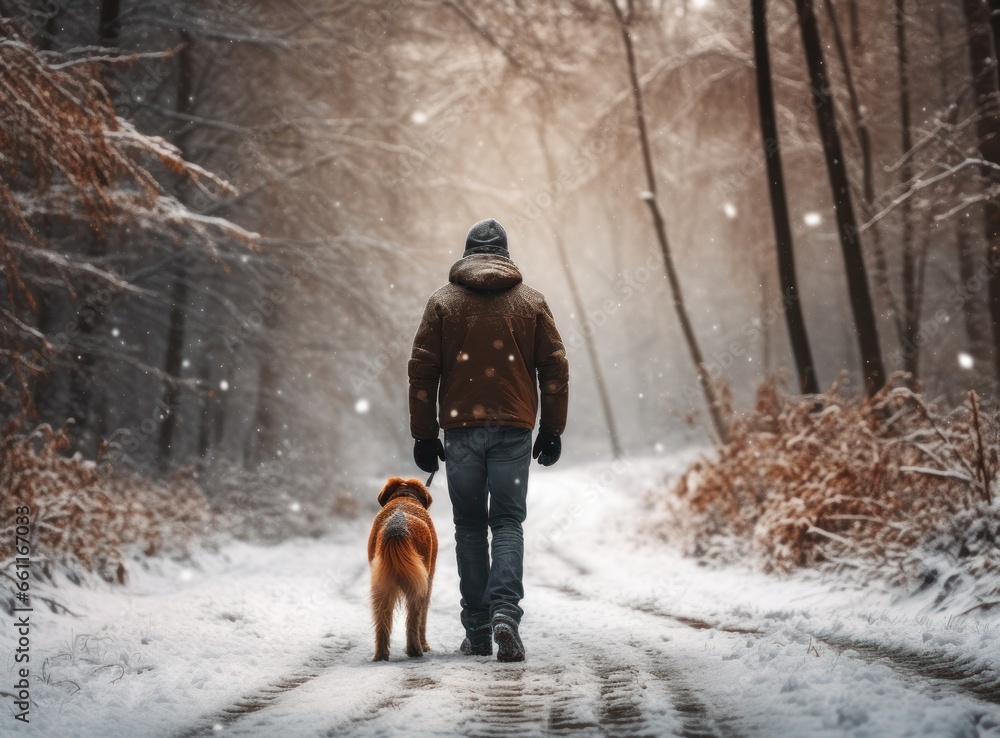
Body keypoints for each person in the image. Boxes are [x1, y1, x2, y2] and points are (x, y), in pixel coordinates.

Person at [408, 218, 569, 662]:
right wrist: (552, 428)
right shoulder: (531, 302)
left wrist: (424, 435)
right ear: (505, 253)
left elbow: (422, 372)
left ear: (466, 253)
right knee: (508, 522)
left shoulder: (442, 303)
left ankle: (477, 627)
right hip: (514, 430)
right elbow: (555, 368)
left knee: (469, 526)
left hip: (460, 432)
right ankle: (504, 614)